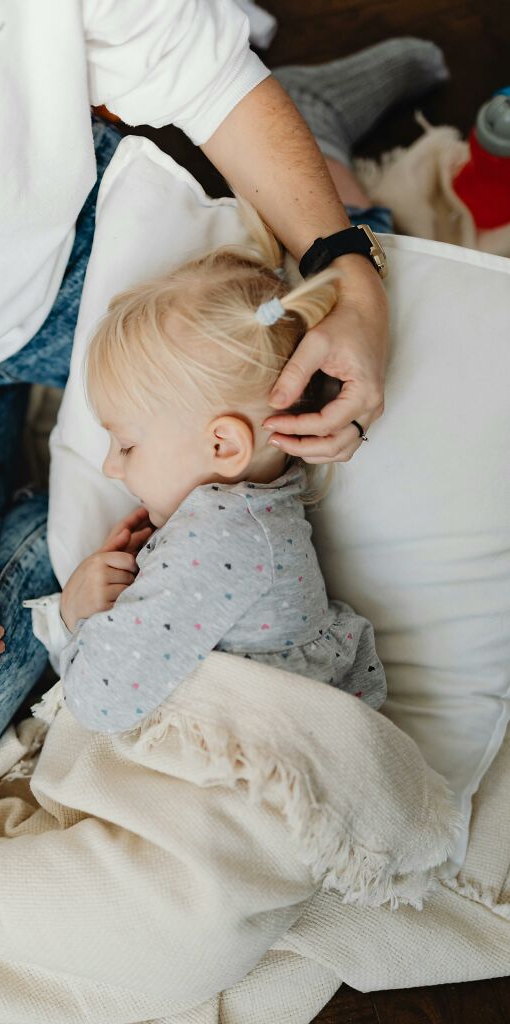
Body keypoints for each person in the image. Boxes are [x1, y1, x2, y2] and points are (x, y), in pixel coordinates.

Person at [0, 0, 442, 792]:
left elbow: (211, 77)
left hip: (70, 254)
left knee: (335, 366)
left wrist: (346, 260)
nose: (114, 467)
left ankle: (325, 151)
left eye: (124, 448)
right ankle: (43, 496)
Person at [30, 201, 387, 730]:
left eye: (126, 445)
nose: (110, 468)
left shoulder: (220, 541)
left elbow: (97, 702)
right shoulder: (247, 521)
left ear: (223, 446)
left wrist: (76, 615)